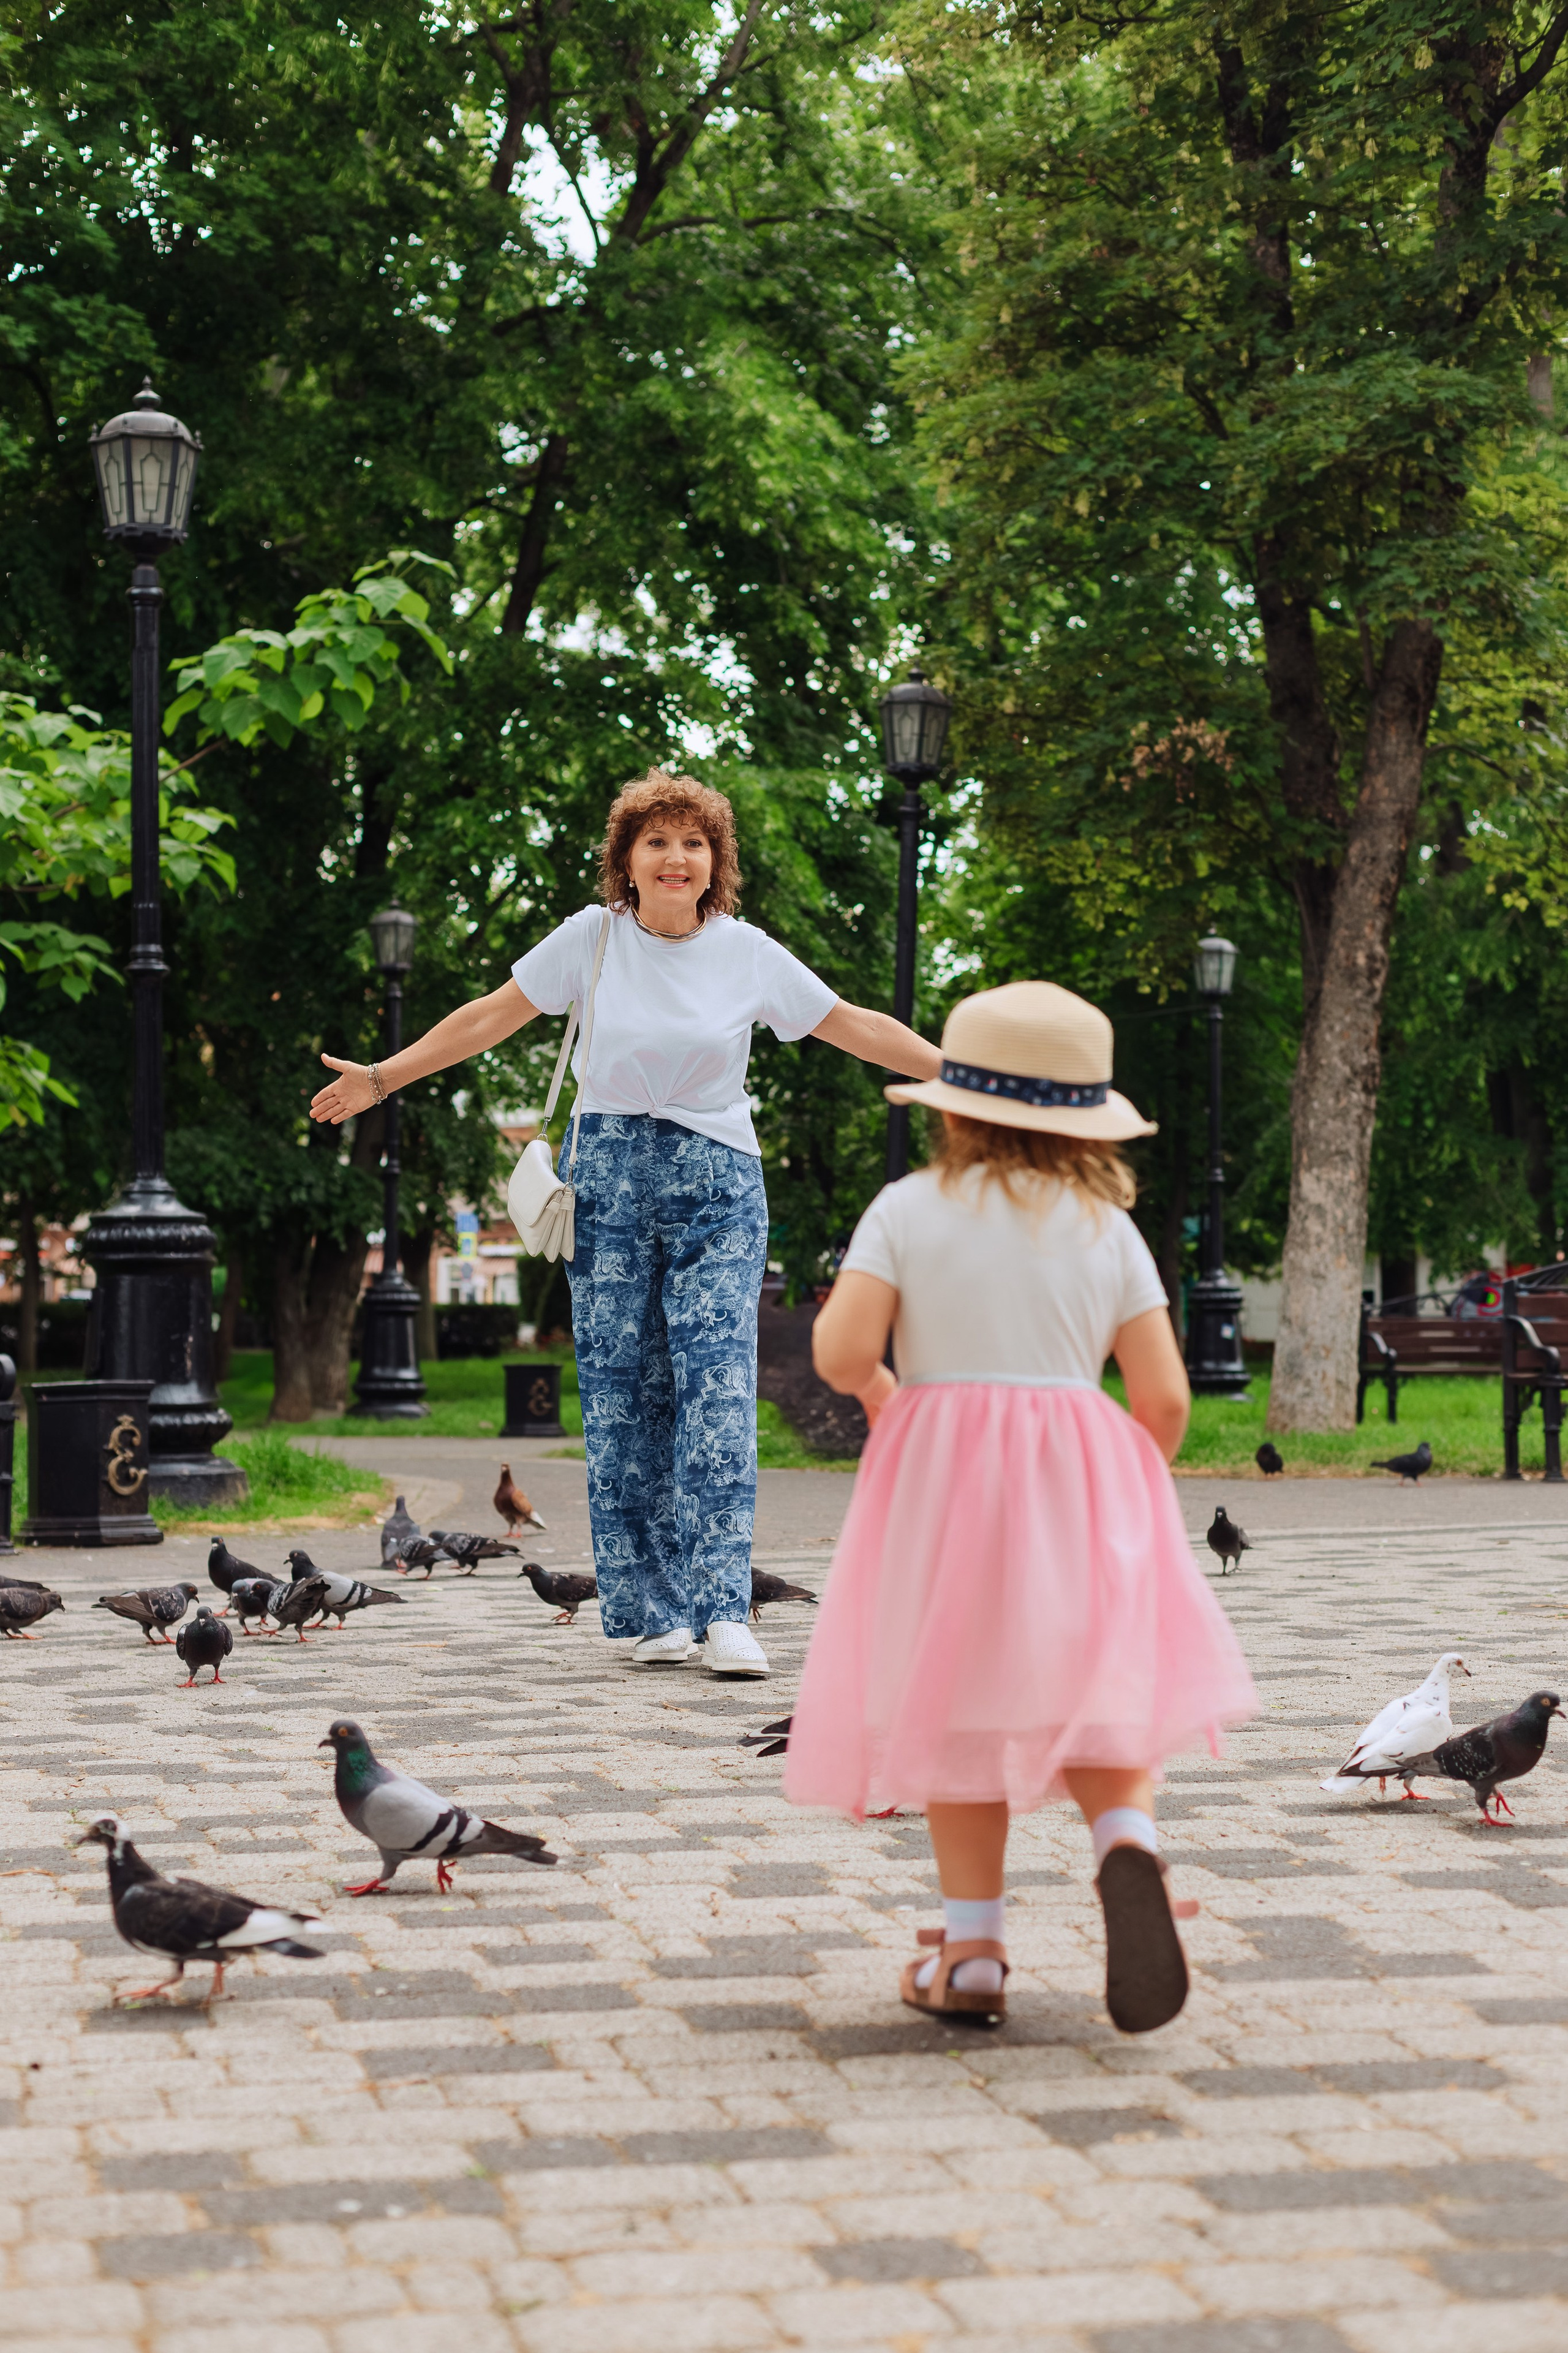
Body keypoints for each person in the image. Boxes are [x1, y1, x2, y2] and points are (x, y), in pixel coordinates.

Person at [309, 767, 939, 1677]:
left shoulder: (746, 950)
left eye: (694, 841)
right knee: (621, 1395)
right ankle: (652, 1611)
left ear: (714, 860)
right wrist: (382, 1077)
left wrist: (961, 1073)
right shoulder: (590, 939)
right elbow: (492, 1015)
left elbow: (852, 1024)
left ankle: (726, 1610)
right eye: (658, 841)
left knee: (716, 1390)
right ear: (628, 860)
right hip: (607, 1175)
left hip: (721, 1181)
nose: (677, 856)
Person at [785, 979, 1256, 2031]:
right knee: (1091, 1682)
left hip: (942, 1482)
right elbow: (1166, 1396)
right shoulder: (1108, 1227)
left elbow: (842, 1349)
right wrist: (1129, 1482)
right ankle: (1123, 1835)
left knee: (958, 1708)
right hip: (1081, 1474)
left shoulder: (909, 1208)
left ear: (952, 1109)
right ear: (1086, 1125)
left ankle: (976, 1951)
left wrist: (877, 1391)